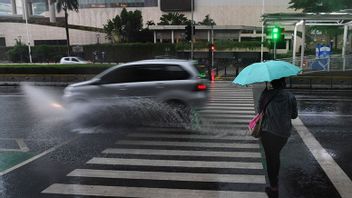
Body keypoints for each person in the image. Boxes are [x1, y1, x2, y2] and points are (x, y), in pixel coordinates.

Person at [258, 77, 298, 198]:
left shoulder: (266, 94)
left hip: (267, 131)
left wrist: (264, 95)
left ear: (272, 83)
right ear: (283, 82)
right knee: (275, 156)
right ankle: (275, 184)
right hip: (283, 133)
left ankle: (273, 187)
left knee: (270, 158)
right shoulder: (290, 96)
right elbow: (294, 116)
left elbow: (259, 112)